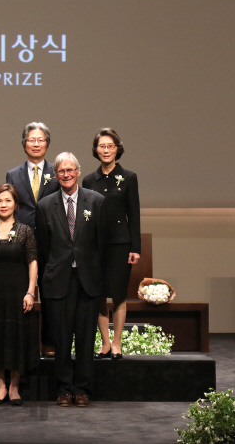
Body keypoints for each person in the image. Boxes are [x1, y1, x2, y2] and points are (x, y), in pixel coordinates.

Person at [35, 152, 105, 408]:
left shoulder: (96, 201)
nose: (65, 175)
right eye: (61, 171)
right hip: (58, 281)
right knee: (61, 340)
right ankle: (64, 389)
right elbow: (43, 248)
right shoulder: (45, 205)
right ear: (56, 176)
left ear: (77, 172)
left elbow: (102, 244)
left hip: (88, 281)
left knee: (86, 339)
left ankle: (83, 389)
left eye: (70, 170)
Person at [0, 184, 39, 406]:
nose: (3, 205)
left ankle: (14, 387)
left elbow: (32, 262)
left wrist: (31, 292)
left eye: (8, 201)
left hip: (18, 292)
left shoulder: (26, 231)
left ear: (16, 205)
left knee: (16, 337)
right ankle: (0, 386)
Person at [82, 128, 140, 360]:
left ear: (118, 149)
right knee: (97, 295)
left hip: (120, 243)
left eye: (110, 146)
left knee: (118, 294)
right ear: (96, 150)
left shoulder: (129, 177)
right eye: (102, 146)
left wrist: (136, 247)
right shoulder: (87, 180)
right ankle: (104, 343)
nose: (106, 150)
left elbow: (133, 215)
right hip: (95, 245)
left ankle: (117, 343)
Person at [6, 122, 59, 356]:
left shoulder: (57, 171)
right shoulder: (13, 174)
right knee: (20, 290)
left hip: (51, 239)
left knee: (49, 292)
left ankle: (49, 341)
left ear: (47, 143)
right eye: (31, 140)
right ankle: (21, 342)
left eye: (40, 140)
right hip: (21, 239)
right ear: (24, 144)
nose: (36, 144)